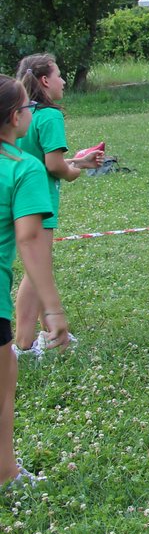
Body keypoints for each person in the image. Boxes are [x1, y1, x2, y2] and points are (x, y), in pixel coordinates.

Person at [0, 75, 70, 486]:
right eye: (28, 107)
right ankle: (6, 474)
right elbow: (29, 239)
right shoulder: (21, 168)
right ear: (15, 118)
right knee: (4, 387)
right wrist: (53, 309)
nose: (32, 112)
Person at [10, 54, 100, 355]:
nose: (63, 81)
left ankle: (47, 333)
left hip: (14, 197)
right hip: (39, 202)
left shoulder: (20, 114)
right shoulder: (49, 115)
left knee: (32, 267)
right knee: (37, 269)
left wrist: (79, 161)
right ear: (45, 80)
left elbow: (36, 157)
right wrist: (73, 171)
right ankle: (23, 343)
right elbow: (53, 164)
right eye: (59, 75)